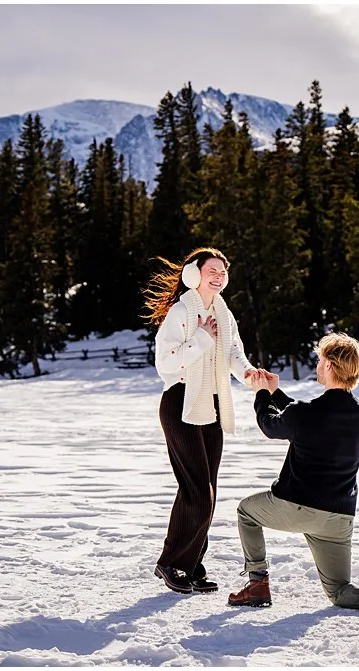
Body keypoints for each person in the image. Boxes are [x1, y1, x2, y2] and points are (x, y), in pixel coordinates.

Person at [227, 332, 359, 618]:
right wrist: (275, 393)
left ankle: (257, 585)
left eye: (319, 360)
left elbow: (271, 425)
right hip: (339, 519)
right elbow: (305, 418)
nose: (316, 365)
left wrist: (262, 393)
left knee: (246, 513)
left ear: (328, 365)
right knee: (339, 591)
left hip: (297, 506)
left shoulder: (307, 414)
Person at [142, 247, 268, 594]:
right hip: (180, 402)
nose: (219, 275)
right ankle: (172, 563)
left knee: (207, 491)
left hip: (210, 405)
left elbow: (234, 355)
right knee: (197, 490)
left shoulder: (225, 315)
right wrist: (202, 337)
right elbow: (166, 365)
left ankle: (191, 563)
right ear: (194, 274)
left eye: (223, 271)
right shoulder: (181, 313)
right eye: (212, 269)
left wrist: (249, 373)